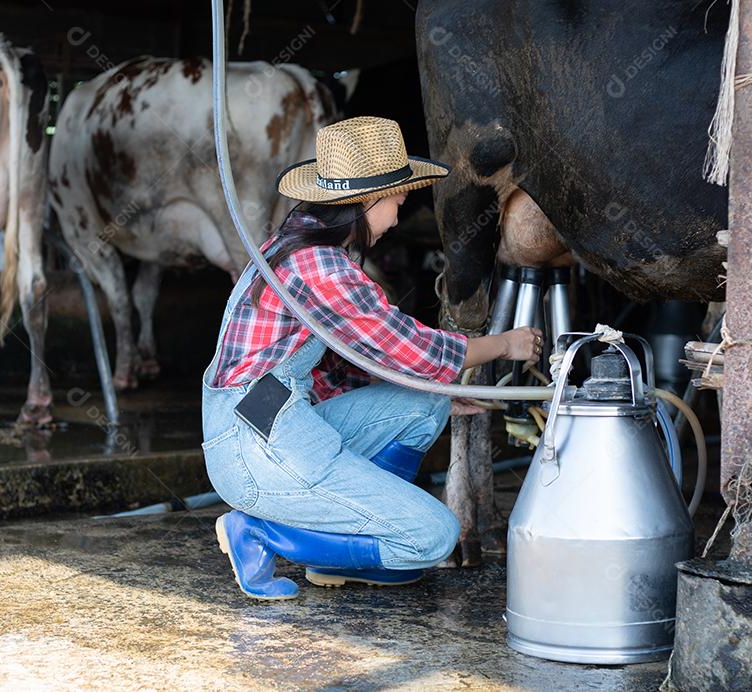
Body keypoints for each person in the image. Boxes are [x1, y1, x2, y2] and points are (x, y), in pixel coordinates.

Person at [202, 116, 542, 600]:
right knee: (433, 536)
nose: (398, 218)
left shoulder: (296, 248)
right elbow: (417, 352)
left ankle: (356, 549)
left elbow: (350, 361)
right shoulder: (321, 267)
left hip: (269, 423)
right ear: (366, 201)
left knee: (426, 404)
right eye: (397, 203)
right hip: (255, 449)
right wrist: (506, 343)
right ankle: (256, 532)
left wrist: (445, 393)